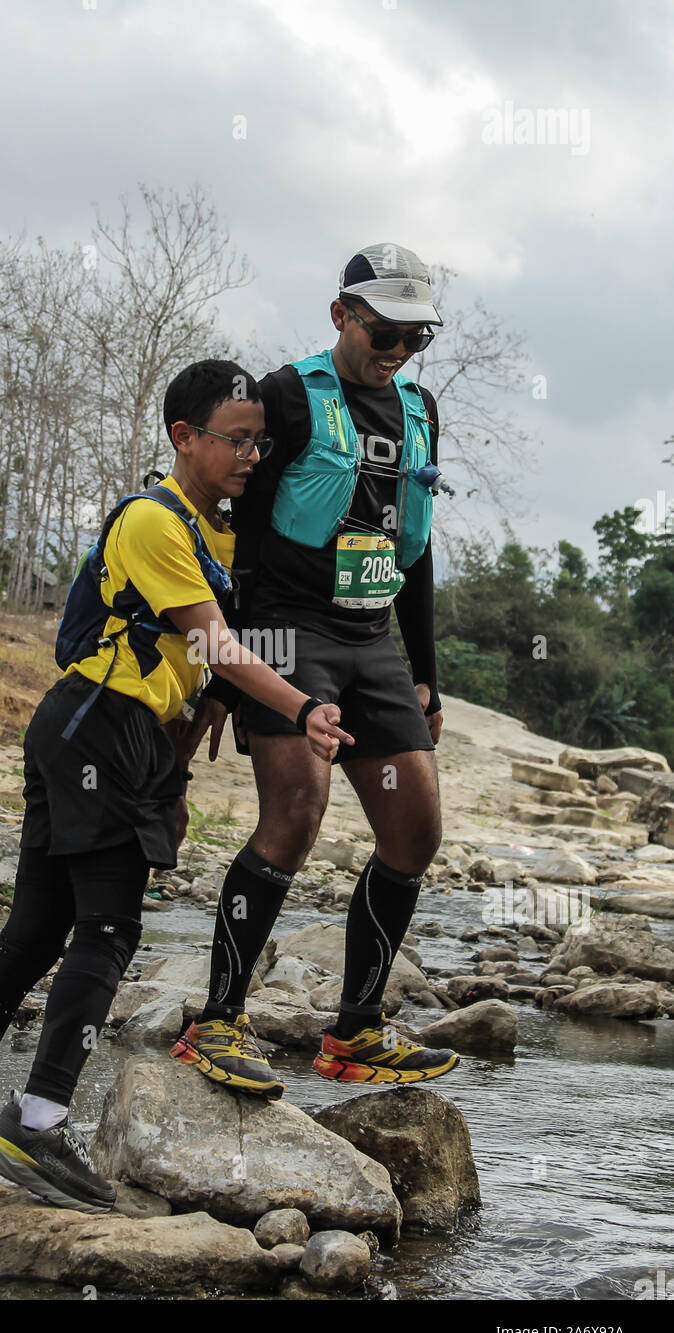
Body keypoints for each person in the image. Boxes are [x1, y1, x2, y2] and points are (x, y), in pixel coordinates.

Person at [0, 359, 352, 1212]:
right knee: (107, 930)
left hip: (99, 730)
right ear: (184, 437)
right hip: (100, 723)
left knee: (33, 933)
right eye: (236, 440)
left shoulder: (224, 536)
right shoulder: (153, 519)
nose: (251, 456)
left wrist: (172, 770)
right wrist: (306, 706)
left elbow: (196, 664)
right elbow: (209, 643)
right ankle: (35, 1119)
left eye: (260, 442)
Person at [171, 245, 459, 1096]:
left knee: (416, 831)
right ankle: (218, 1020)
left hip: (374, 638)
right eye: (386, 331)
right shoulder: (287, 397)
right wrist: (227, 676)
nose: (399, 350)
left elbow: (418, 542)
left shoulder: (419, 407)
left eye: (417, 337)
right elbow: (245, 538)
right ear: (343, 316)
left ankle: (356, 1031)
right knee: (295, 816)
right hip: (288, 632)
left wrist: (427, 674)